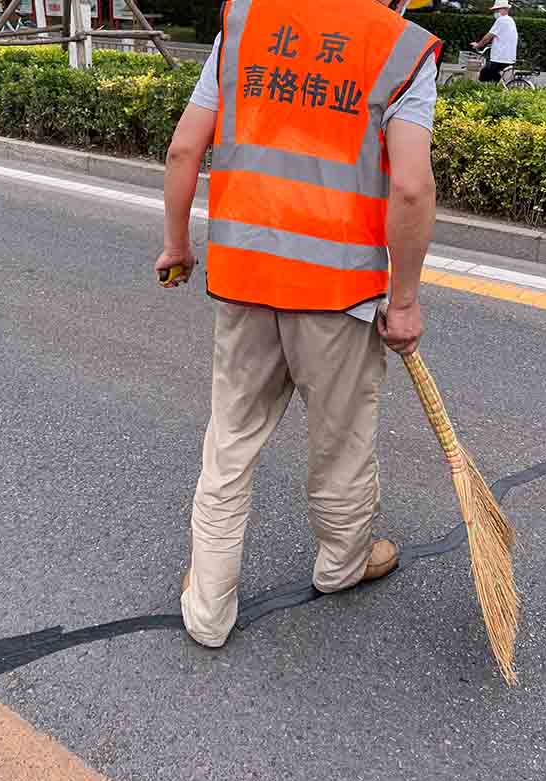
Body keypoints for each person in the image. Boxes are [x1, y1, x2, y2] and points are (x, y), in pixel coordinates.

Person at [155, 0, 442, 648]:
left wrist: (177, 245)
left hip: (244, 282)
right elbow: (412, 190)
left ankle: (206, 609)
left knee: (230, 441)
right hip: (339, 297)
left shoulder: (246, 21)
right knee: (341, 442)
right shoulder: (399, 47)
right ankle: (341, 566)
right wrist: (403, 302)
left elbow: (183, 149)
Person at [471, 0, 518, 83]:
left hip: (500, 59)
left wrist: (478, 45)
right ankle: (498, 90)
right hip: (509, 58)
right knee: (494, 77)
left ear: (504, 9)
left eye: (497, 10)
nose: (495, 12)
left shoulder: (502, 20)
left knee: (484, 74)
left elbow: (488, 37)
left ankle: (487, 93)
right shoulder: (510, 20)